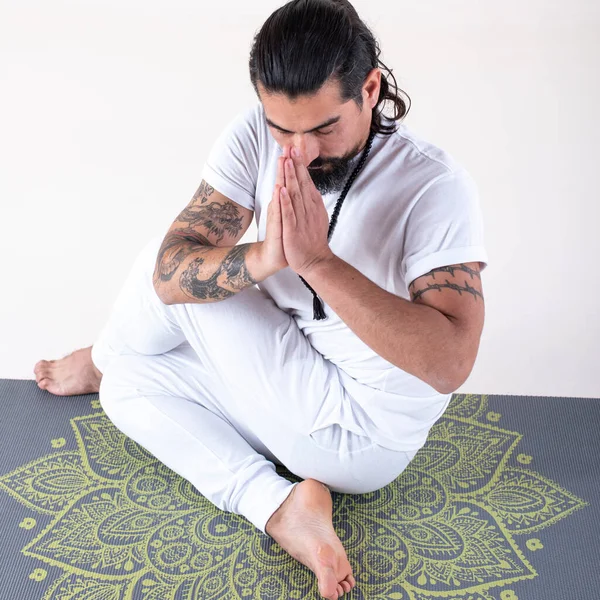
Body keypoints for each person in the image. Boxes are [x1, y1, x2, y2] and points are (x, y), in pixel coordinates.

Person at [33, 1, 488, 598]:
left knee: (139, 300)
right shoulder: (253, 132)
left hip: (361, 434)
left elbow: (450, 363)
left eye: (325, 128)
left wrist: (319, 264)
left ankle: (103, 356)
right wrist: (269, 256)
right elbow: (176, 272)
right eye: (283, 129)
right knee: (131, 388)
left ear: (369, 88)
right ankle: (279, 507)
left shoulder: (433, 185)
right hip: (294, 379)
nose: (300, 151)